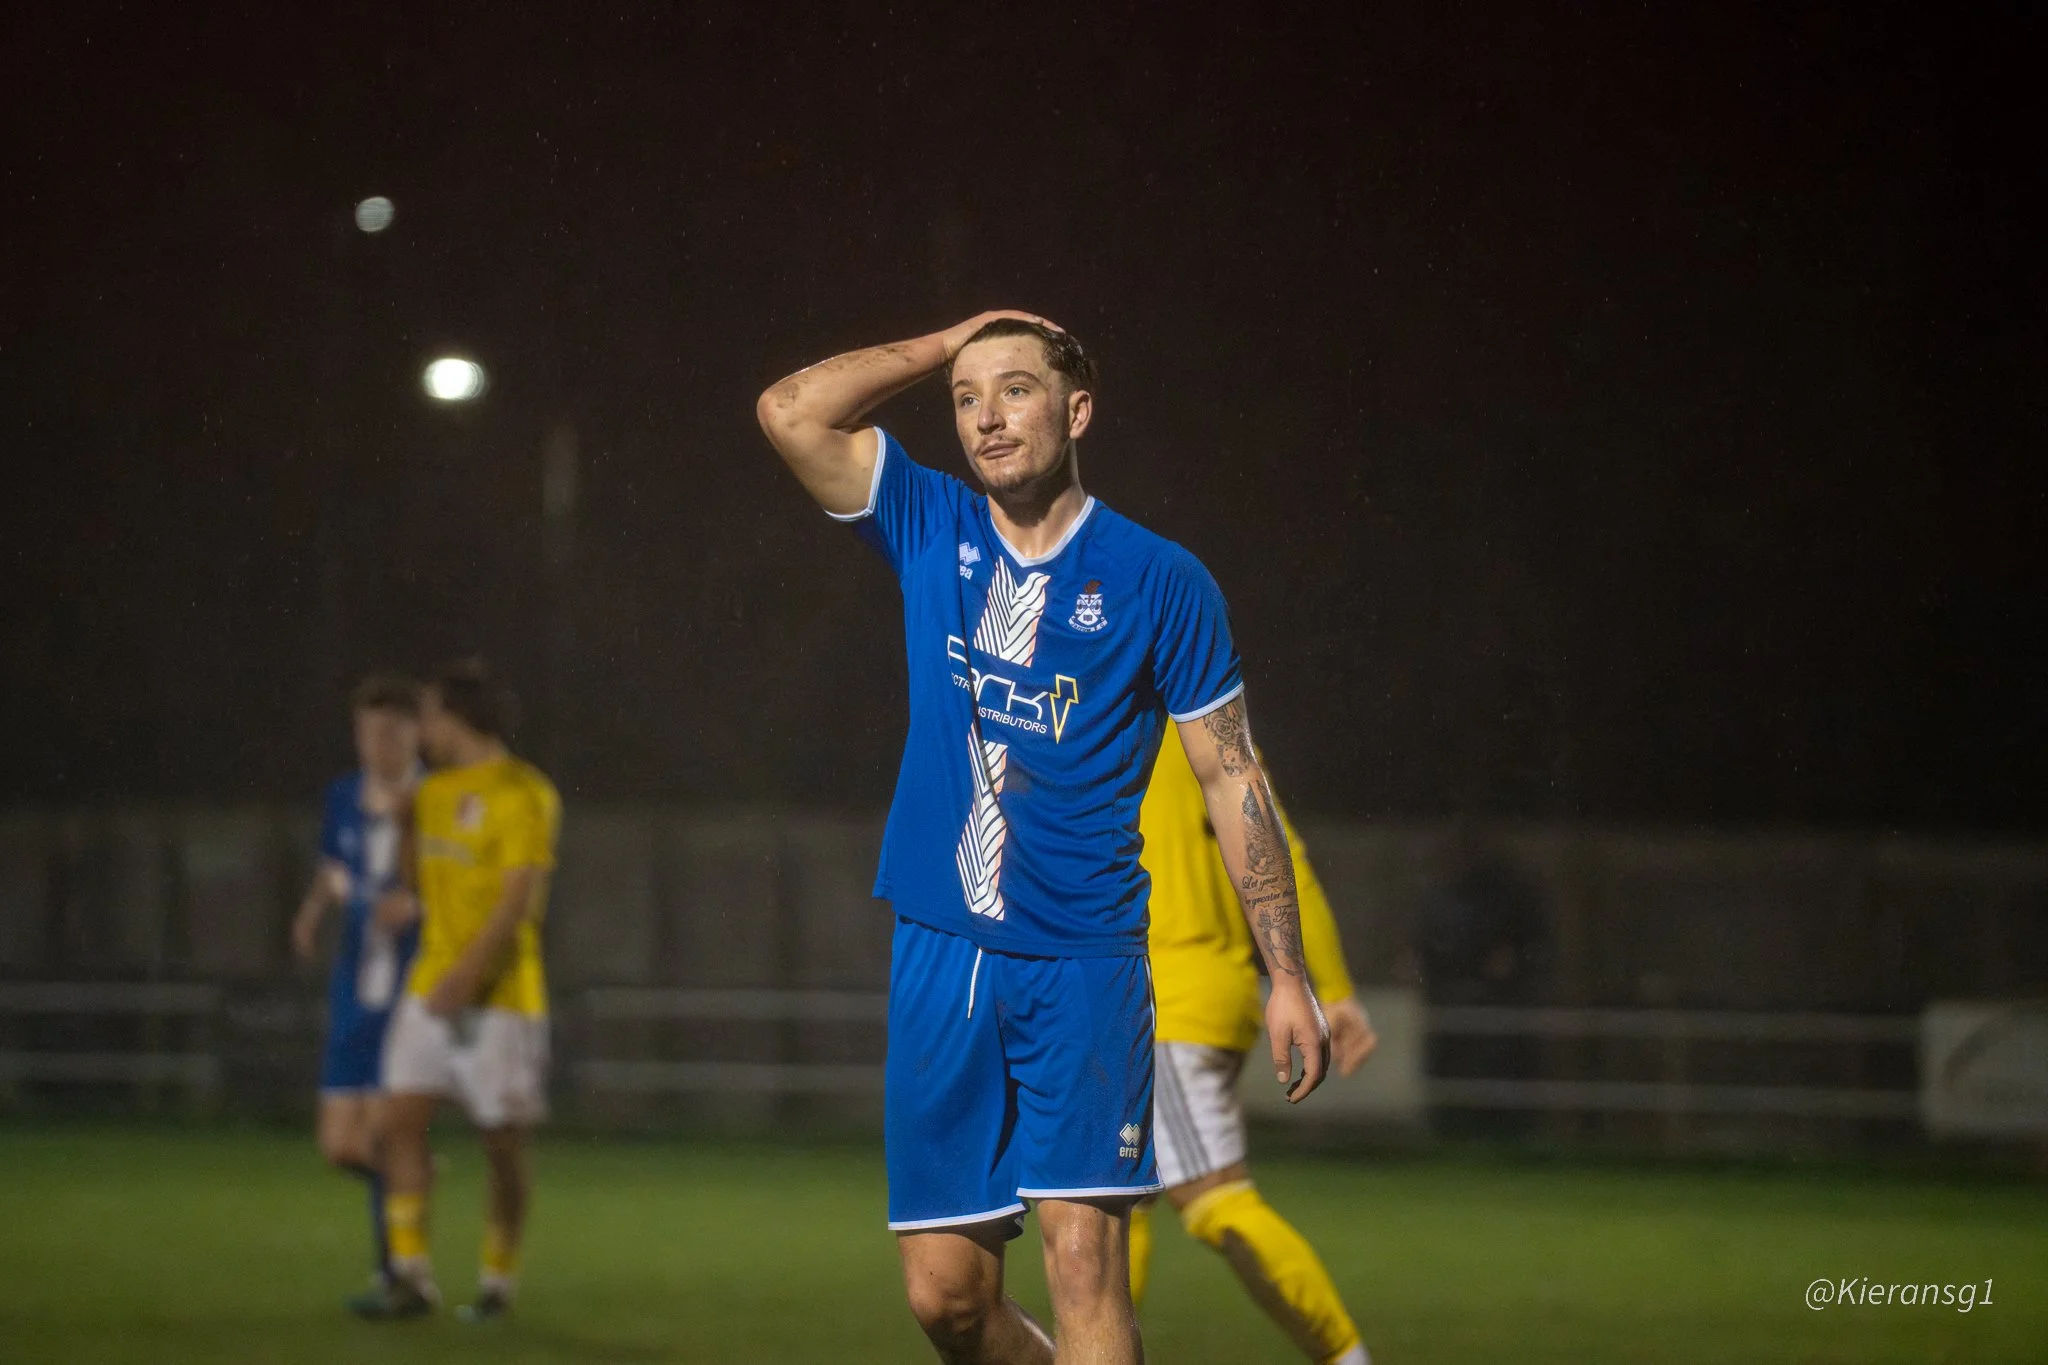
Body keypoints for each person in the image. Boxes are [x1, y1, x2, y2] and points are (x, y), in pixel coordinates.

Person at [757, 311, 1332, 1365]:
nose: (985, 416)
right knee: (946, 1300)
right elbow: (789, 411)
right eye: (965, 398)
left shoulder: (1161, 578)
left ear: (1077, 412)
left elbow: (1232, 777)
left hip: (1083, 959)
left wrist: (1286, 972)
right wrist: (954, 339)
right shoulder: (927, 521)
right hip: (941, 950)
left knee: (1083, 1263)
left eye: (1015, 389)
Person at [1131, 725, 1378, 1365]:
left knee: (1215, 1198)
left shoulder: (1094, 723)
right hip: (1211, 989)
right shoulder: (1215, 735)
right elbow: (1283, 859)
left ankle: (1347, 1357)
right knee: (1114, 1202)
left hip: (1163, 1000)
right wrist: (1335, 988)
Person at [348, 659, 561, 1323]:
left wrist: (465, 978)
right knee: (394, 1127)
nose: (423, 730)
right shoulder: (433, 793)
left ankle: (496, 1280)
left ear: (458, 717)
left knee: (502, 1146)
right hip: (429, 991)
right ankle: (411, 1278)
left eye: (429, 715)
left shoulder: (524, 793)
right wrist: (407, 826)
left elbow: (516, 903)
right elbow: (415, 882)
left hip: (499, 1001)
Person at [290, 673, 424, 1295]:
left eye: (391, 733)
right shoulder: (343, 795)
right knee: (340, 1146)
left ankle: (397, 1272)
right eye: (368, 734)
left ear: (415, 734)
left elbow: (457, 884)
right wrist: (313, 911)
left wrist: (418, 905)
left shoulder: (435, 800)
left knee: (381, 1131)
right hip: (354, 985)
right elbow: (333, 865)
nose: (378, 746)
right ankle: (413, 1179)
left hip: (408, 989)